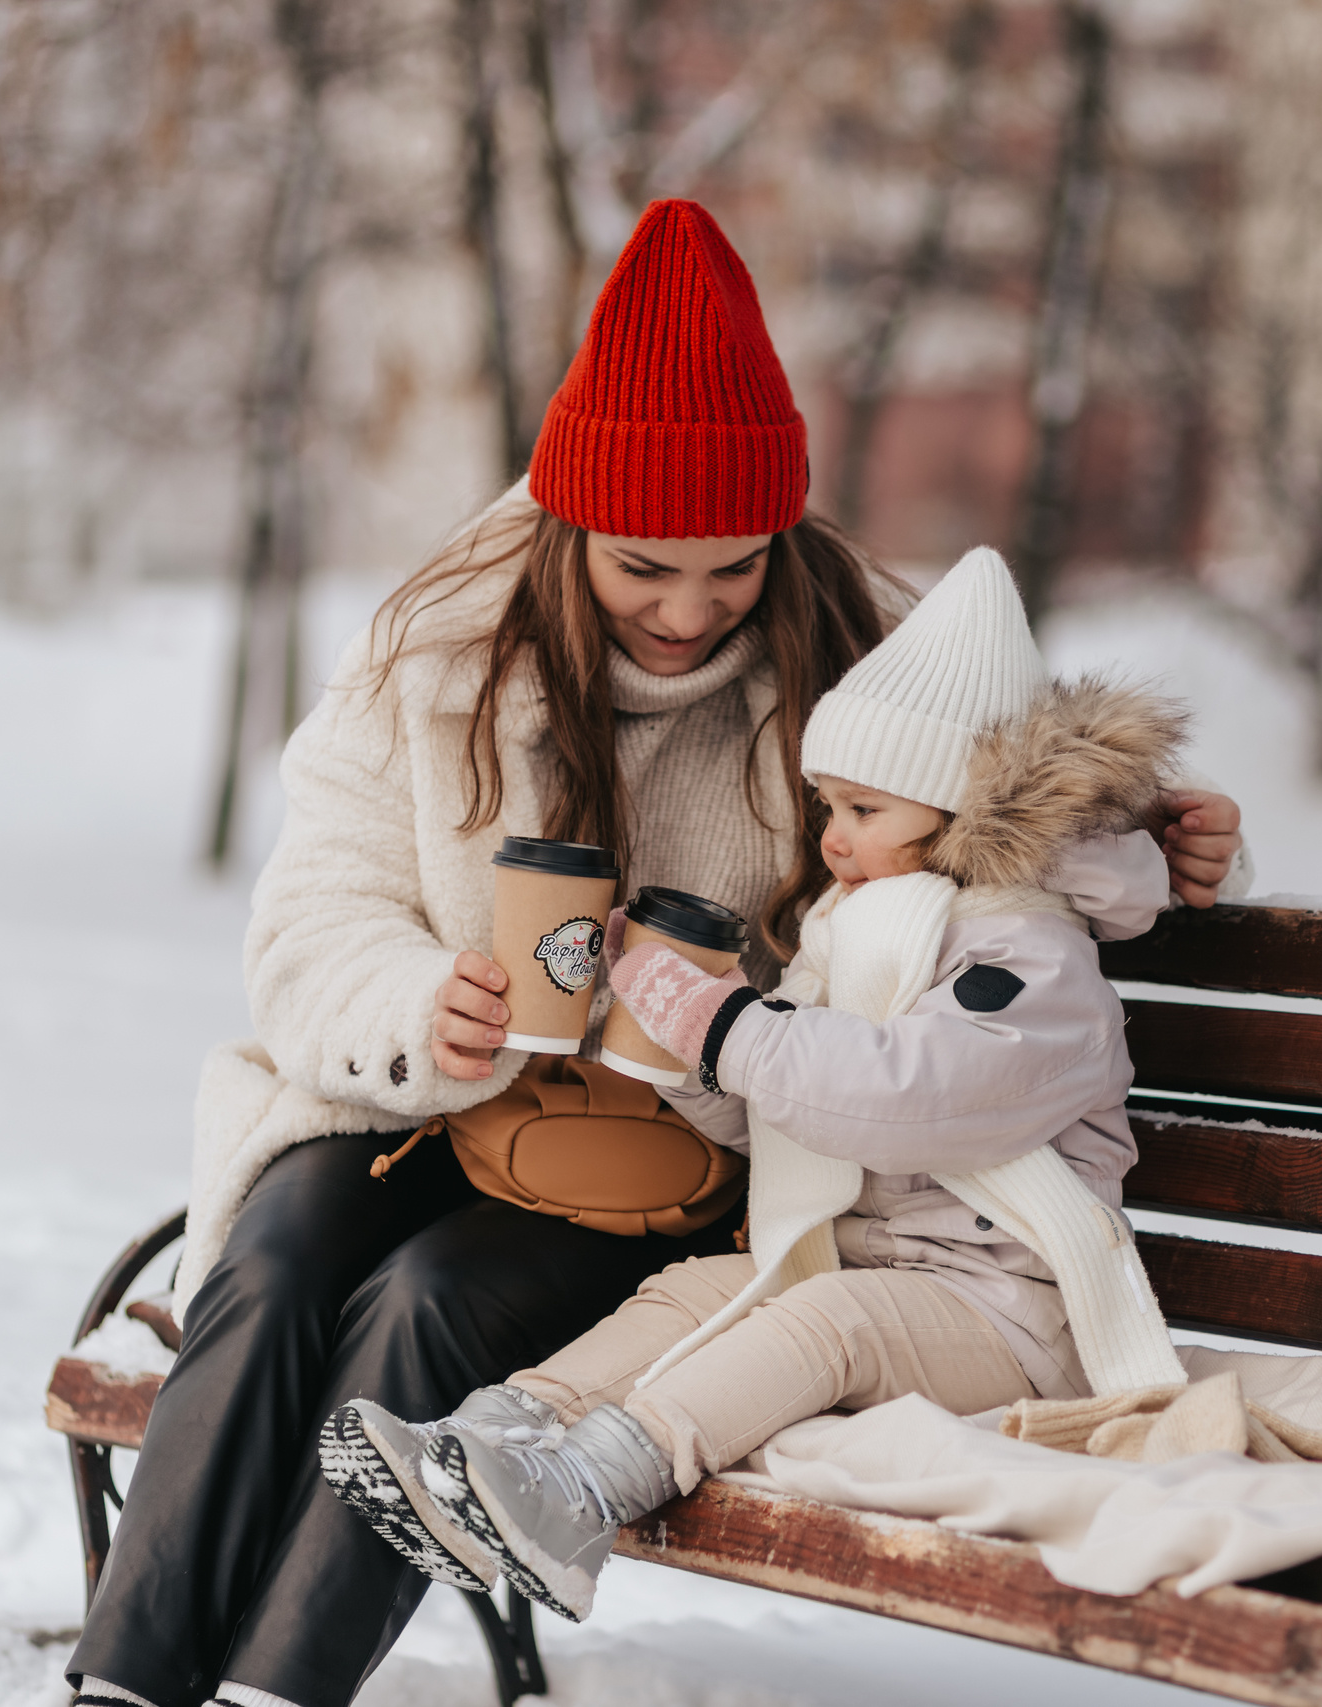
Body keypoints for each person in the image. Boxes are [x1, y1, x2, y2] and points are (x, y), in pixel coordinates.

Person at [66, 199, 1249, 1707]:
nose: (692, 610)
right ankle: (123, 1681)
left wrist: (1178, 838)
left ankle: (275, 1689)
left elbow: (1033, 780)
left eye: (734, 568)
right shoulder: (434, 650)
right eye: (644, 567)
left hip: (677, 1156)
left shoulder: (859, 645)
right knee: (283, 1252)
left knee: (428, 1300)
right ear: (571, 526)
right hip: (421, 1102)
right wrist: (424, 1005)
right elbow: (317, 912)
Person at [325, 545, 1192, 1624]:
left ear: (960, 813)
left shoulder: (1029, 957)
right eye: (825, 803)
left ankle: (582, 1490)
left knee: (817, 1324)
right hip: (866, 1262)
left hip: (1009, 1310)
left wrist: (727, 1024)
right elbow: (795, 1115)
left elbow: (898, 1099)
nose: (830, 840)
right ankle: (495, 1441)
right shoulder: (866, 927)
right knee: (694, 1293)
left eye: (863, 811)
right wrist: (685, 1045)